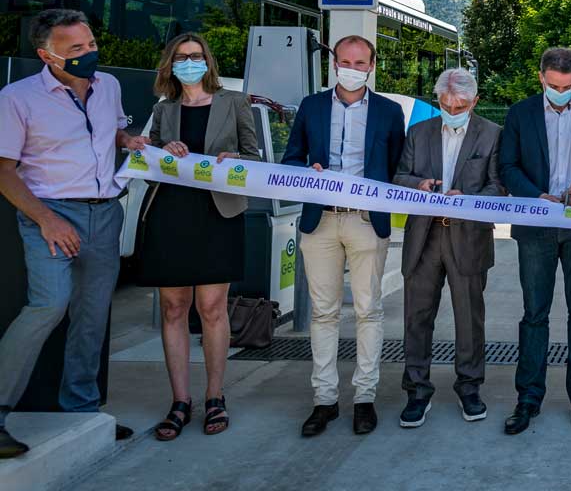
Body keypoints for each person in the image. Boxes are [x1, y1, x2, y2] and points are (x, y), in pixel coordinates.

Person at [0, 9, 148, 459]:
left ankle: (82, 412)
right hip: (51, 214)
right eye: (76, 49)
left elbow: (115, 130)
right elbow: (4, 171)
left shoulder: (110, 87)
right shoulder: (17, 98)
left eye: (90, 44)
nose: (89, 54)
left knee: (91, 315)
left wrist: (130, 141)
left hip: (105, 214)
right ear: (47, 55)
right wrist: (47, 219)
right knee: (48, 304)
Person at [133, 33, 261, 441]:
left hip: (217, 213)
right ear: (170, 64)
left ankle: (214, 396)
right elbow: (146, 156)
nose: (190, 62)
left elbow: (254, 157)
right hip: (169, 213)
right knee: (173, 308)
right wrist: (159, 147)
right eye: (181, 57)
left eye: (196, 56)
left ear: (208, 61)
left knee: (212, 308)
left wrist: (235, 159)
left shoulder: (234, 102)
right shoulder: (163, 109)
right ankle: (180, 401)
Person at [283, 35, 405, 438]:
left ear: (371, 66)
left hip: (367, 222)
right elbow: (291, 159)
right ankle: (325, 400)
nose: (352, 68)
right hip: (320, 223)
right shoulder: (311, 106)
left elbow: (395, 168)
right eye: (345, 61)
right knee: (323, 313)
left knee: (369, 310)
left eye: (360, 62)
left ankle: (364, 398)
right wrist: (307, 171)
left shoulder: (389, 112)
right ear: (333, 63)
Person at [499, 47, 571, 436]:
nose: (559, 92)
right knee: (535, 314)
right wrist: (535, 195)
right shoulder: (521, 113)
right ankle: (528, 398)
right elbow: (508, 166)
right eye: (552, 85)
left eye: (566, 86)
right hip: (535, 226)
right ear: (541, 78)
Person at [393, 68, 502, 429]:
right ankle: (417, 391)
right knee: (417, 316)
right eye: (445, 104)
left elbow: (498, 187)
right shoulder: (418, 132)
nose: (452, 110)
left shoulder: (492, 135)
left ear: (475, 101)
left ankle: (469, 387)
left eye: (461, 105)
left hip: (469, 237)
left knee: (469, 318)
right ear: (437, 100)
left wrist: (467, 198)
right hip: (424, 237)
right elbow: (398, 177)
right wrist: (419, 184)